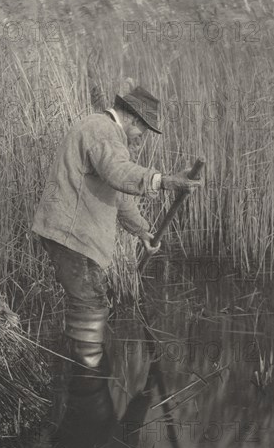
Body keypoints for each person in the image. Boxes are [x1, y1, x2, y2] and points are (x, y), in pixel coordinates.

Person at [31, 86, 202, 371]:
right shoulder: (102, 130)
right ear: (133, 120)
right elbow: (118, 173)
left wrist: (143, 231)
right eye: (143, 131)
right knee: (92, 304)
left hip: (71, 236)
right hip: (73, 236)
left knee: (88, 301)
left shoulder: (103, 132)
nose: (141, 138)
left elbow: (119, 193)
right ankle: (89, 383)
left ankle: (79, 373)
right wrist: (166, 180)